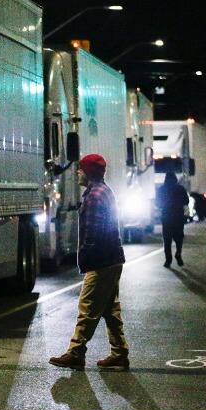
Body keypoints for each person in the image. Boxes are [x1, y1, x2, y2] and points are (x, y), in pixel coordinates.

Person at [49, 154, 129, 371]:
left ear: (88, 172)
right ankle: (119, 353)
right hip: (112, 258)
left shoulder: (94, 196)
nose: (77, 172)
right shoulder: (104, 191)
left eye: (80, 169)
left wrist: (85, 257)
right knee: (110, 310)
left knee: (87, 307)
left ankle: (76, 353)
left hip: (101, 261)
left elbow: (93, 233)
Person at [156, 171, 188, 268]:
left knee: (167, 239)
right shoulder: (180, 188)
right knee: (179, 237)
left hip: (166, 217)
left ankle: (168, 260)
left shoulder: (161, 189)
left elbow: (157, 203)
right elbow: (186, 201)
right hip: (178, 216)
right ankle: (178, 253)